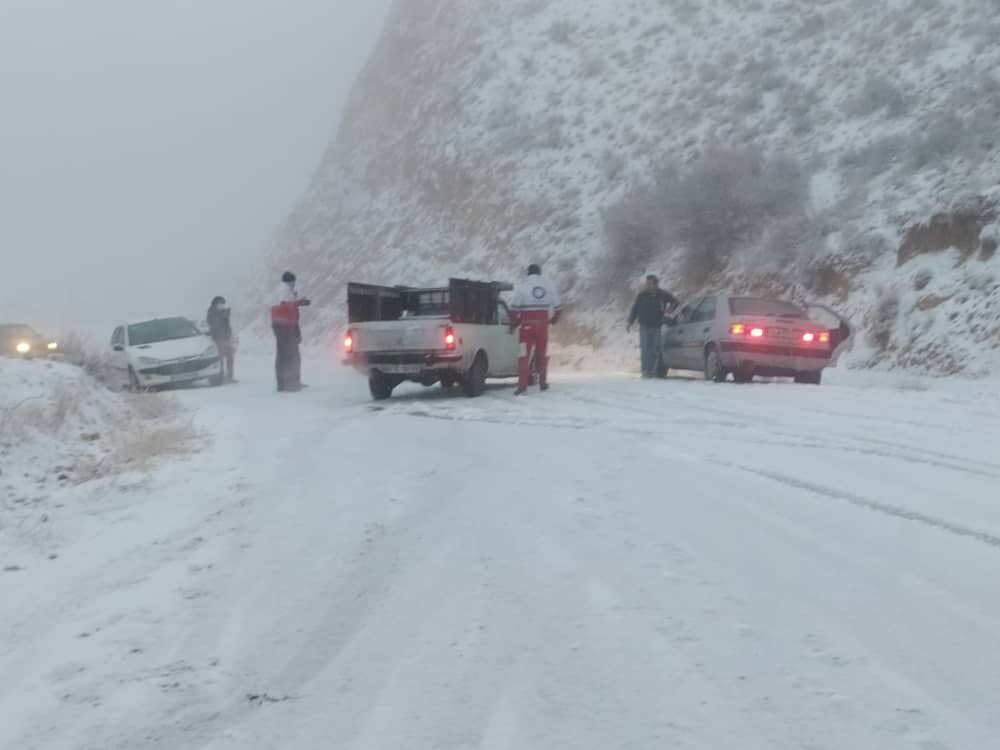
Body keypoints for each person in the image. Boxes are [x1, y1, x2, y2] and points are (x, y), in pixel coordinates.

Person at [510, 263, 562, 395]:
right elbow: (558, 308)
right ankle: (543, 383)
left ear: (528, 273)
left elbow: (514, 309)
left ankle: (522, 386)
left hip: (526, 327)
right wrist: (553, 321)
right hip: (543, 326)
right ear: (539, 273)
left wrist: (514, 323)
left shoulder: (522, 286)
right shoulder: (548, 285)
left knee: (523, 356)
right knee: (541, 355)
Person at [627, 275, 678, 378]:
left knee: (656, 349)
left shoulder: (662, 294)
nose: (647, 285)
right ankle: (646, 371)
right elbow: (635, 308)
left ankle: (654, 371)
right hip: (644, 326)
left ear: (655, 284)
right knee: (646, 349)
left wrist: (670, 309)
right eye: (647, 283)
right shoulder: (642, 295)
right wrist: (630, 322)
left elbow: (675, 301)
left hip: (657, 326)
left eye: (650, 283)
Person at [270, 271, 311, 392]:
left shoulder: (281, 291)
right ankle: (291, 383)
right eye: (293, 281)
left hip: (283, 326)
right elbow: (288, 306)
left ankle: (283, 383)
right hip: (285, 327)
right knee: (291, 355)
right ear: (290, 281)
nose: (294, 284)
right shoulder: (284, 290)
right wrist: (300, 302)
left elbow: (287, 307)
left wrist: (297, 302)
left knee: (284, 355)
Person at [206, 296, 236, 383]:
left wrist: (226, 316)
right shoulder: (211, 312)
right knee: (220, 359)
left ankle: (230, 376)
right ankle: (220, 376)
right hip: (218, 339)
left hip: (226, 338)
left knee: (230, 357)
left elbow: (226, 325)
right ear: (216, 304)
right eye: (221, 303)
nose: (222, 305)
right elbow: (214, 324)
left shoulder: (222, 312)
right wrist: (224, 316)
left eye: (223, 304)